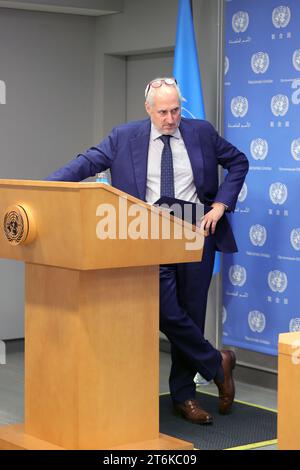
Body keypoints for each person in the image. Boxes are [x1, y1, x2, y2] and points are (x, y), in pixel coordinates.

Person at [47, 77, 249, 425]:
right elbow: (86, 163)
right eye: (163, 112)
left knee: (191, 312)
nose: (170, 119)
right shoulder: (124, 137)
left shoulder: (200, 132)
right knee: (164, 311)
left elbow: (238, 162)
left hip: (194, 231)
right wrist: (46, 188)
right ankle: (217, 363)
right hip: (147, 233)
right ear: (148, 109)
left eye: (175, 111)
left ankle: (184, 396)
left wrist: (220, 205)